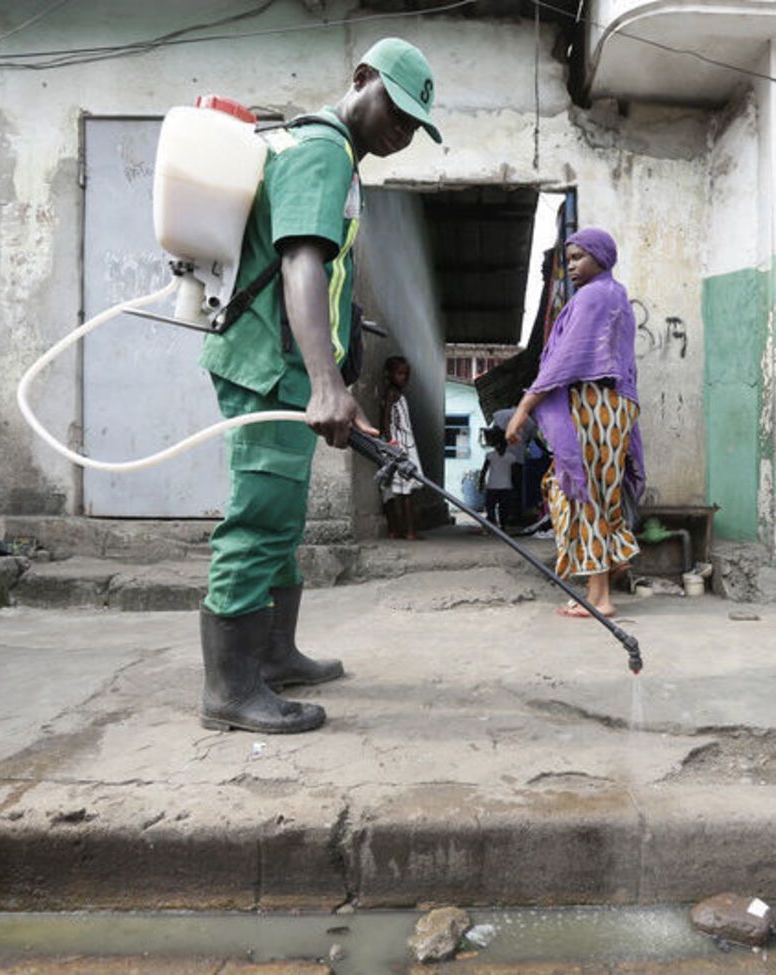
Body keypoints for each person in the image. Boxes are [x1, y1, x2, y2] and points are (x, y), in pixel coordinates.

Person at [196, 38, 441, 734]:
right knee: (260, 517)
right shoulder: (324, 149)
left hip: (286, 366)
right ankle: (229, 689)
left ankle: (274, 654)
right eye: (396, 109)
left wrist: (333, 381)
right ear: (361, 78)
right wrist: (327, 387)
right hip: (271, 366)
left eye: (414, 125)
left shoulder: (334, 156)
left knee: (283, 517)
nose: (402, 131)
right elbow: (301, 262)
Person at [505, 228, 645, 618]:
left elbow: (566, 359)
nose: (570, 266)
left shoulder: (593, 297)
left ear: (601, 256)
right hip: (615, 408)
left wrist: (523, 407)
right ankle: (605, 574)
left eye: (578, 257)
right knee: (592, 491)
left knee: (582, 493)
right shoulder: (617, 297)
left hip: (593, 405)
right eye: (568, 259)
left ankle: (600, 598)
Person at [380, 355, 423, 540]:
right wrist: (391, 442)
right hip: (399, 445)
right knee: (406, 488)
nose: (403, 378)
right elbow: (386, 418)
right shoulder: (392, 394)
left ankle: (395, 530)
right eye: (399, 373)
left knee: (392, 488)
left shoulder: (397, 393)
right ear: (389, 374)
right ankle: (409, 531)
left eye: (406, 374)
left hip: (398, 443)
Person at [478, 425, 517, 529]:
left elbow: (483, 471)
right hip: (504, 486)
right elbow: (514, 474)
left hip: (494, 486)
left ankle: (495, 524)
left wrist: (481, 483)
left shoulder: (491, 456)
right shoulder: (510, 457)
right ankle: (500, 525)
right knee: (502, 508)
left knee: (492, 507)